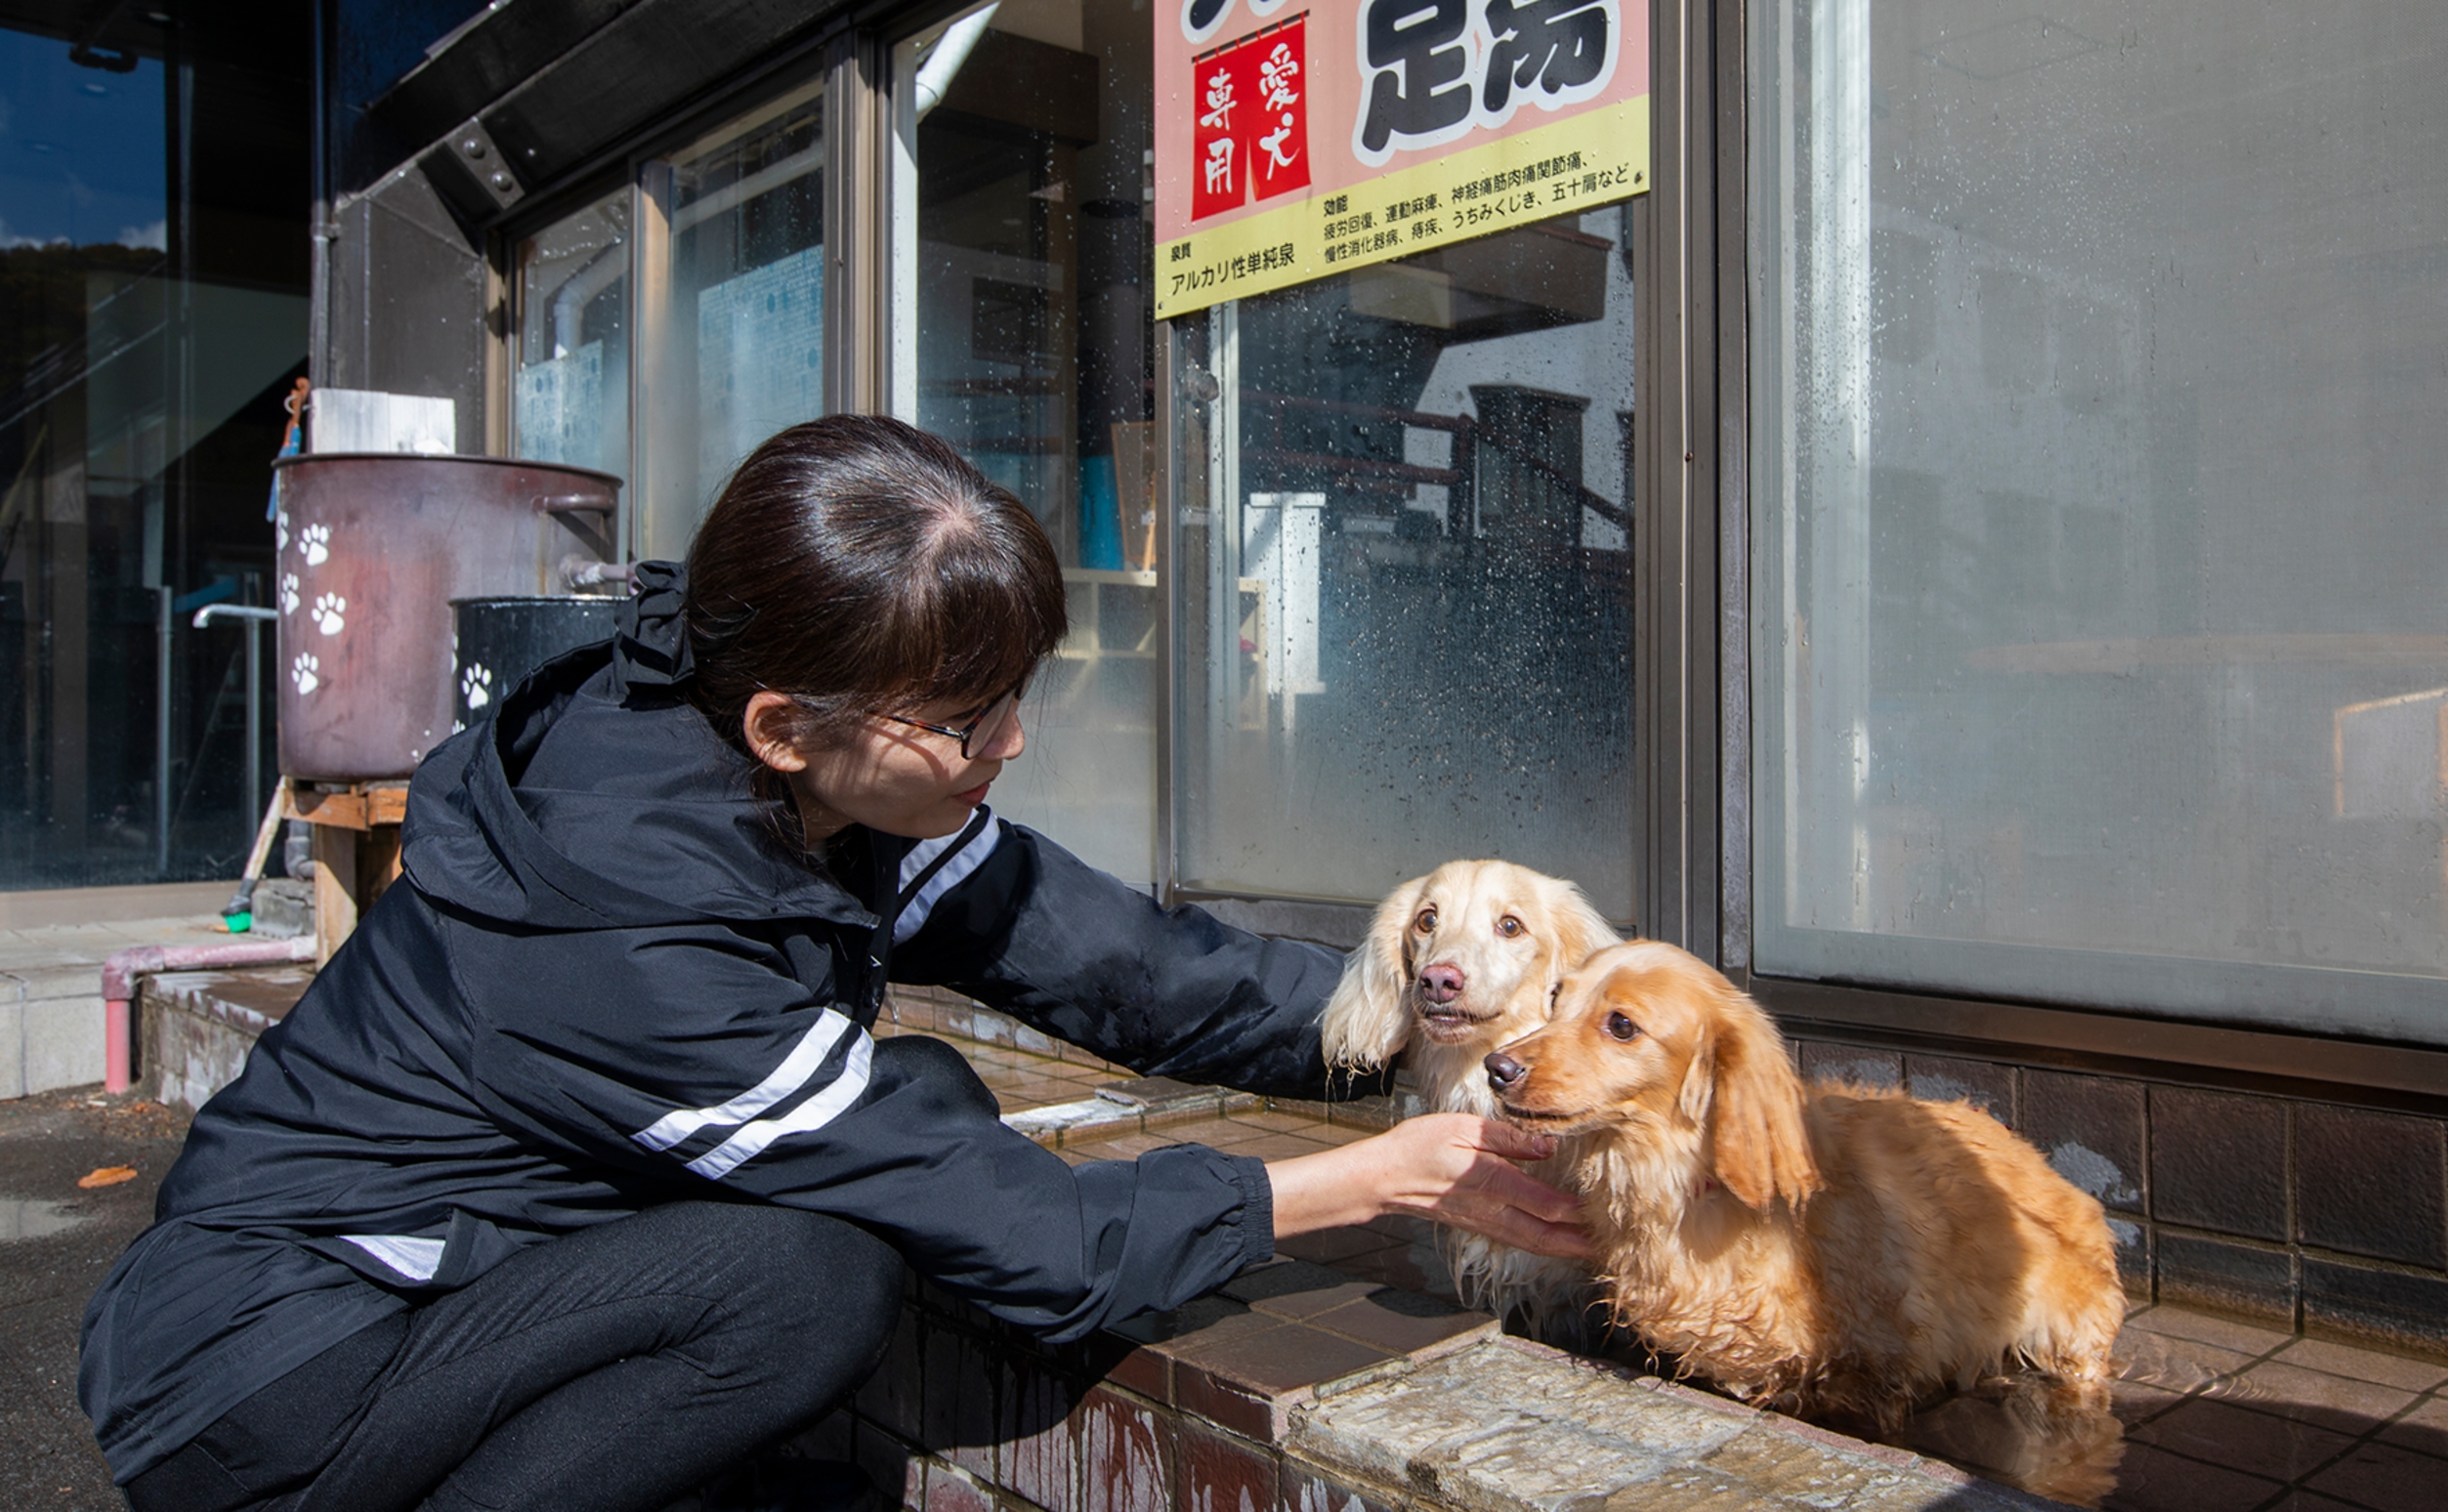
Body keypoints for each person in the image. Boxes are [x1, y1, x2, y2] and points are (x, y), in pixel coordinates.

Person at [82, 416, 1587, 1512]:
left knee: (896, 1118)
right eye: (963, 716)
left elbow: (1112, 961)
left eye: (1014, 696)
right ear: (787, 724)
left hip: (449, 1279)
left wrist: (1404, 1017)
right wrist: (1372, 1178)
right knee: (809, 1278)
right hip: (273, 1373)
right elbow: (1041, 1247)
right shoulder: (640, 933)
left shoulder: (797, 770)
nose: (1008, 746)